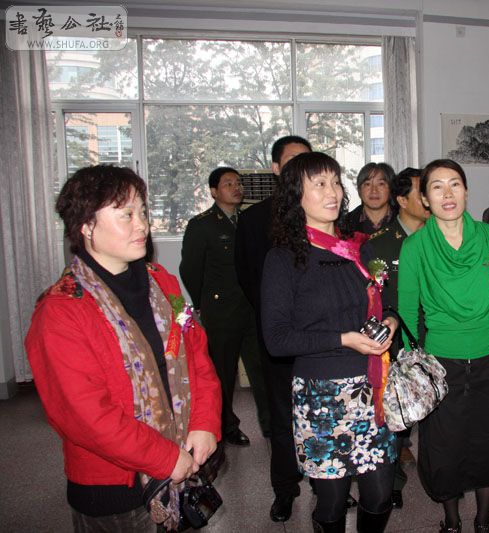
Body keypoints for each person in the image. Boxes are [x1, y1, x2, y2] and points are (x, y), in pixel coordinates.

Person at [25, 165, 221, 532]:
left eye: (143, 211)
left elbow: (196, 354)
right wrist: (164, 457)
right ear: (86, 226)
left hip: (182, 464)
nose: (142, 224)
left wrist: (205, 422)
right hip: (115, 491)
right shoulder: (61, 310)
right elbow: (85, 416)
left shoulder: (162, 284)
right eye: (126, 214)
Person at [262, 152, 399, 532]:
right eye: (320, 184)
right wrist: (345, 339)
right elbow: (277, 339)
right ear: (296, 195)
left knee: (379, 494)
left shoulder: (359, 248)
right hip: (322, 395)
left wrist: (390, 320)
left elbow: (387, 303)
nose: (332, 192)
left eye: (336, 182)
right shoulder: (284, 258)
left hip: (372, 387)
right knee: (333, 500)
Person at [398, 159, 489, 533]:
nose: (447, 194)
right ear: (425, 198)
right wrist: (412, 368)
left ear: (466, 191)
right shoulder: (415, 247)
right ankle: (451, 521)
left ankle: (483, 520)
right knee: (443, 446)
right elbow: (407, 312)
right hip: (441, 363)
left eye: (455, 184)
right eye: (437, 187)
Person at [234, 135, 312, 522]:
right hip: (278, 336)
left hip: (321, 337)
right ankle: (285, 489)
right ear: (277, 169)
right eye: (293, 161)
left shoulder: (324, 210)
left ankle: (326, 483)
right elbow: (248, 277)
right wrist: (279, 318)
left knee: (322, 412)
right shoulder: (253, 219)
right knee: (283, 418)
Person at [180, 167, 269, 448]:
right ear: (214, 192)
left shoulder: (249, 221)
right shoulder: (202, 225)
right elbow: (190, 270)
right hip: (222, 311)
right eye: (228, 183)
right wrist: (203, 303)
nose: (236, 187)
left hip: (251, 309)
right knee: (223, 373)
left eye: (238, 182)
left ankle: (270, 424)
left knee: (261, 369)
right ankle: (226, 426)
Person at [369, 166, 430, 509]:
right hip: (396, 344)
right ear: (402, 200)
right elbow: (373, 300)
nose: (429, 199)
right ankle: (392, 481)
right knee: (396, 421)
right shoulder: (380, 245)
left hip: (437, 338)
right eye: (422, 192)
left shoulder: (440, 237)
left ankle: (438, 476)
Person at [345, 162, 396, 234]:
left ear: (391, 188)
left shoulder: (404, 220)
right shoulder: (345, 224)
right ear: (359, 190)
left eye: (381, 184)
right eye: (367, 184)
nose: (374, 191)